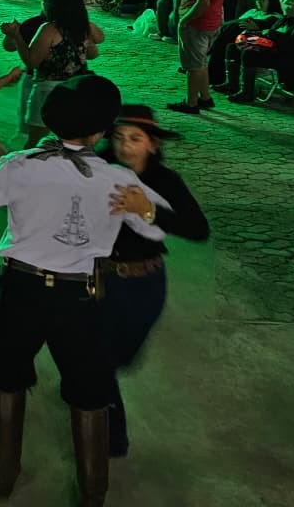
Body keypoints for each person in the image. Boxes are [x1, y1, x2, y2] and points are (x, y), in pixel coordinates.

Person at [0, 74, 169, 507]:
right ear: (99, 131)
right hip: (80, 296)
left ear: (52, 122)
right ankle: (93, 492)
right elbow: (158, 223)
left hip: (22, 288)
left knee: (8, 377)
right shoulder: (115, 178)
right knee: (89, 389)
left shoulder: (19, 165)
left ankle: (4, 476)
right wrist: (143, 207)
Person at [99, 105, 209, 457]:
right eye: (118, 138)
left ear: (153, 144)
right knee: (100, 362)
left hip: (145, 283)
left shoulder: (166, 182)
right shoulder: (99, 172)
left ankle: (90, 384)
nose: (125, 146)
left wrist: (147, 209)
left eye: (135, 138)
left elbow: (198, 230)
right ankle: (112, 436)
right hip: (99, 281)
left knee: (122, 356)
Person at [1, 0, 105, 145]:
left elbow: (32, 61)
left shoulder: (49, 29)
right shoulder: (82, 26)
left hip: (49, 90)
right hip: (76, 89)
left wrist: (17, 36)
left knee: (36, 142)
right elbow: (100, 38)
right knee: (72, 140)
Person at [219, 0, 294, 104]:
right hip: (275, 51)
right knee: (233, 48)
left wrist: (274, 35)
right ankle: (231, 84)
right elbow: (272, 35)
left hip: (290, 59)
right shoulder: (285, 19)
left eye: (287, 4)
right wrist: (258, 35)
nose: (283, 6)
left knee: (249, 53)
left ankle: (247, 92)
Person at [170, 0, 227, 115]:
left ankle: (191, 102)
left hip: (198, 25)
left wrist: (185, 18)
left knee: (193, 66)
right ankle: (205, 97)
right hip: (212, 22)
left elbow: (203, 1)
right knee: (201, 63)